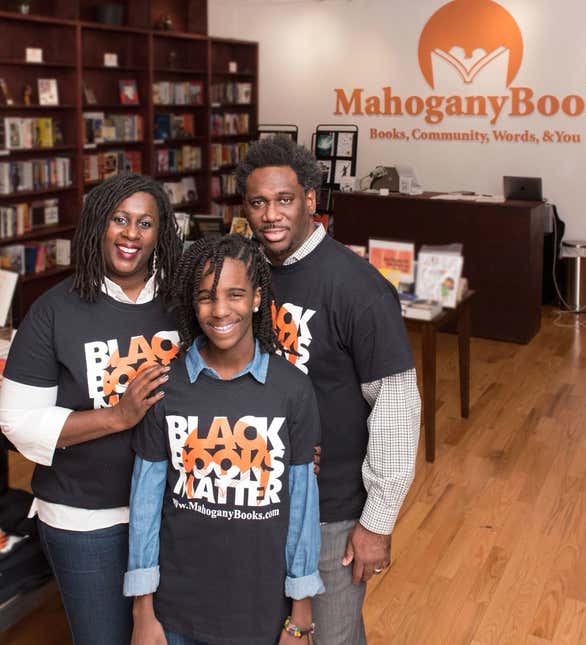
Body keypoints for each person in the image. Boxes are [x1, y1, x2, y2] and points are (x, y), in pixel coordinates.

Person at [236, 137, 421, 645]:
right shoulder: (248, 277)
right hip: (256, 498)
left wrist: (377, 524)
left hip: (332, 513)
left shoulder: (358, 288)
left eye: (284, 199)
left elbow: (397, 410)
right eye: (258, 203)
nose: (271, 215)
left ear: (311, 200)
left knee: (333, 636)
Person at [0, 172, 183, 645]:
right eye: (119, 220)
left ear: (161, 232)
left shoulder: (184, 302)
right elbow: (17, 421)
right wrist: (117, 417)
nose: (131, 233)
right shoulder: (53, 310)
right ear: (98, 224)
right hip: (87, 517)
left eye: (146, 223)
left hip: (177, 508)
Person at [124, 234, 324, 645]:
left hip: (263, 610)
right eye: (205, 297)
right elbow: (145, 503)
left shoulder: (292, 389)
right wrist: (142, 611)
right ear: (191, 304)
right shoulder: (166, 386)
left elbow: (302, 505)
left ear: (256, 297)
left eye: (235, 294)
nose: (219, 311)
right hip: (177, 609)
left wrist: (300, 614)